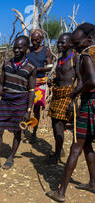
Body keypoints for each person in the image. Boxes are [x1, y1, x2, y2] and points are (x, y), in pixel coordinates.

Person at [46, 23, 95, 203]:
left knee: (76, 146)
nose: (75, 47)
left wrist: (75, 93)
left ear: (89, 39)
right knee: (87, 144)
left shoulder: (87, 56)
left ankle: (61, 191)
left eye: (77, 43)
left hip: (90, 104)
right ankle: (92, 182)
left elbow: (91, 81)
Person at [0, 36, 37, 171]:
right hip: (6, 101)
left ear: (27, 49)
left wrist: (28, 110)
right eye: (15, 47)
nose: (16, 50)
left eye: (20, 47)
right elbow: (1, 84)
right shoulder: (7, 63)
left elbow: (31, 90)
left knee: (17, 131)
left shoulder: (31, 67)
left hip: (21, 102)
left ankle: (11, 157)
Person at [46, 33, 78, 164]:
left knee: (59, 125)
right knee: (55, 124)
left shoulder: (75, 59)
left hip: (68, 95)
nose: (59, 45)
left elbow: (80, 79)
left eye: (62, 43)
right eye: (58, 42)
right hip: (57, 94)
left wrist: (74, 99)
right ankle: (58, 150)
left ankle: (57, 154)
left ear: (70, 43)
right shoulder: (59, 60)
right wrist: (52, 81)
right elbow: (60, 77)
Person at [27, 29, 54, 143]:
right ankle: (24, 127)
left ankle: (34, 132)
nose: (34, 42)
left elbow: (49, 66)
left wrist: (37, 69)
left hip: (40, 82)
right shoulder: (28, 50)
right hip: (28, 81)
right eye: (32, 40)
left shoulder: (46, 51)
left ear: (41, 39)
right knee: (25, 106)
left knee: (36, 108)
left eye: (37, 40)